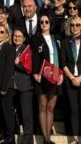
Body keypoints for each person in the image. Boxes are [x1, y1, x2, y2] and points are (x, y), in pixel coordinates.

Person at [60, 16, 81, 144]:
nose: (75, 27)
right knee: (73, 109)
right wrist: (73, 77)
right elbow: (63, 63)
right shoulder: (65, 42)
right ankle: (74, 137)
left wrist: (80, 77)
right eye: (72, 25)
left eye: (77, 25)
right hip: (70, 79)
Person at [31, 14, 60, 144]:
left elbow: (61, 57)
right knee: (42, 106)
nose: (44, 24)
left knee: (51, 107)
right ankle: (46, 139)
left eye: (46, 22)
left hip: (54, 75)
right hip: (41, 75)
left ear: (50, 23)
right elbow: (35, 57)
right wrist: (35, 73)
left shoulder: (56, 38)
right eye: (41, 22)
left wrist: (61, 75)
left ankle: (49, 136)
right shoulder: (36, 38)